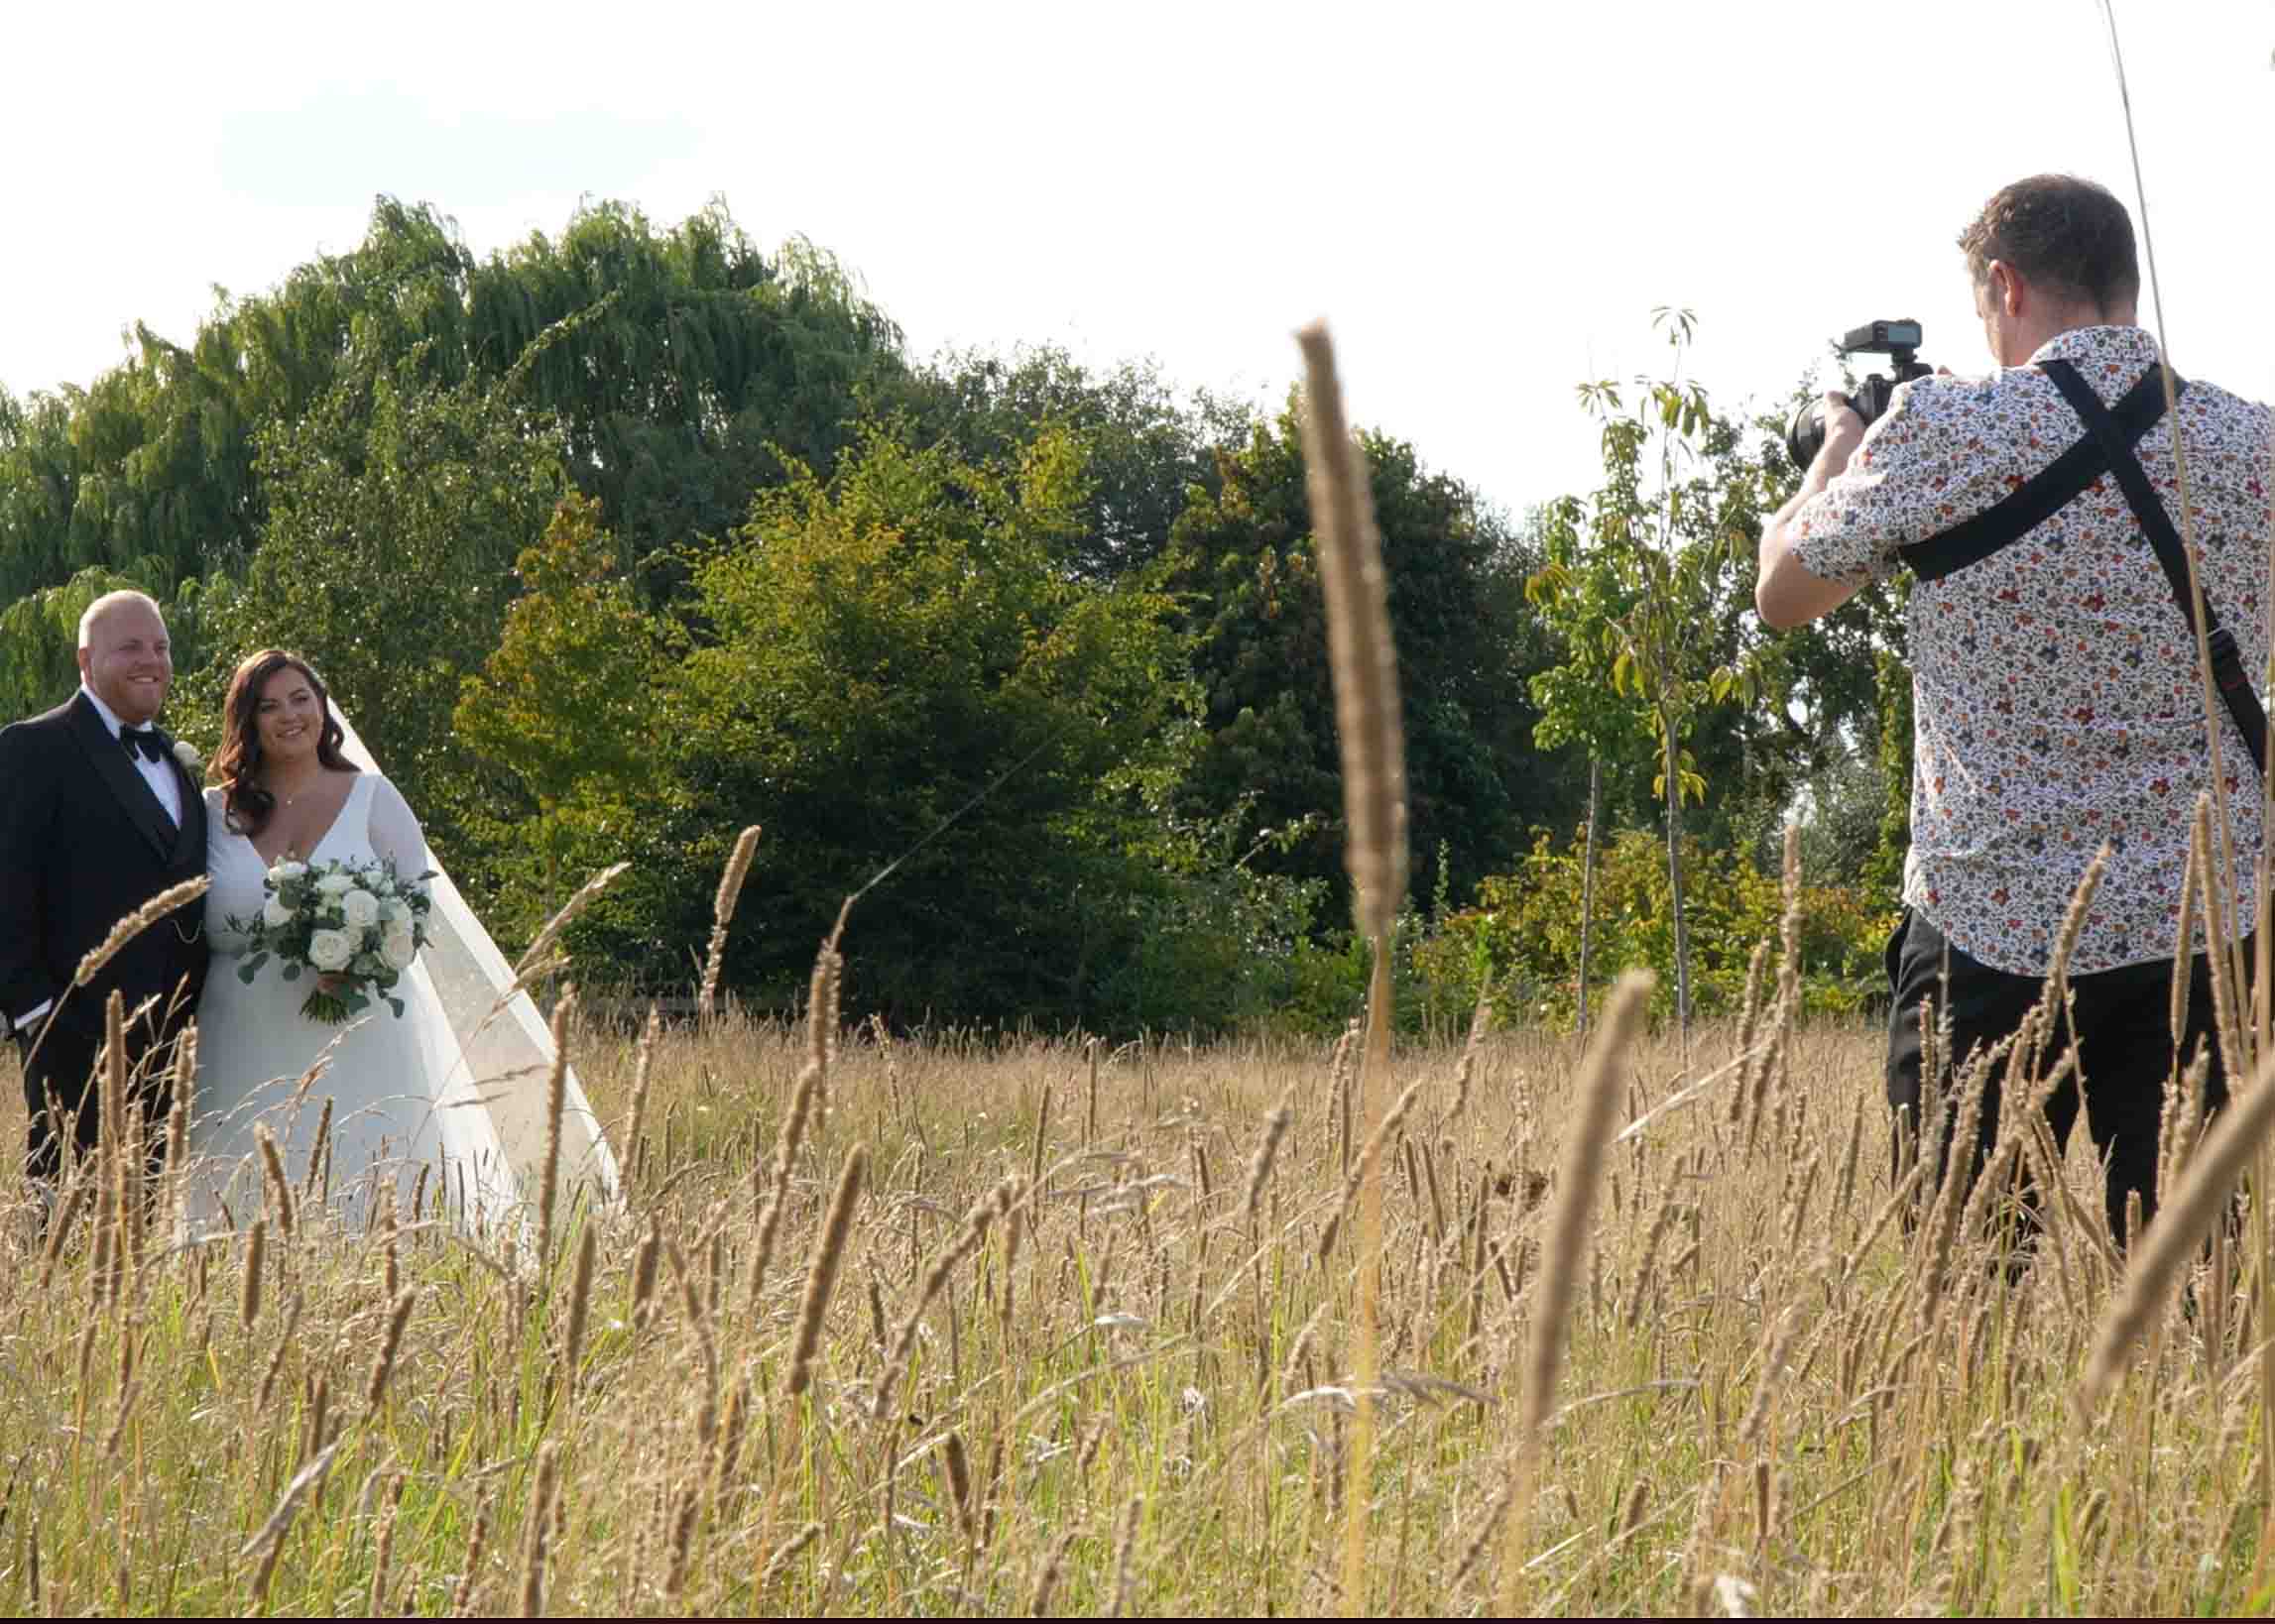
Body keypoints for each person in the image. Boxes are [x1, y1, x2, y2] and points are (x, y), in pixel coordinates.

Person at [1756, 174, 2275, 1247]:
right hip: (2205, 928)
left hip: (1988, 928)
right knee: (2210, 1288)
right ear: (2126, 283)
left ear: (2002, 284)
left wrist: (1841, 448)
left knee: (1963, 1301)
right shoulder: (2251, 448)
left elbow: (1783, 595)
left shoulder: (1940, 430)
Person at [181, 650, 521, 1232]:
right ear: (247, 722)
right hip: (241, 1038)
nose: (288, 716)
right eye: (268, 706)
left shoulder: (373, 798)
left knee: (367, 1184)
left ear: (322, 706)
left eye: (300, 699)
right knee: (240, 1204)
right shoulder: (215, 812)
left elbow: (415, 910)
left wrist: (361, 951)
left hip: (359, 1038)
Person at [0, 591, 210, 1215]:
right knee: (71, 1231)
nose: (152, 660)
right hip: (76, 1041)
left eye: (162, 647)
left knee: (154, 1233)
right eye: (131, 647)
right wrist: (38, 1015)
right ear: (85, 659)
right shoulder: (31, 748)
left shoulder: (176, 759)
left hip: (181, 1042)